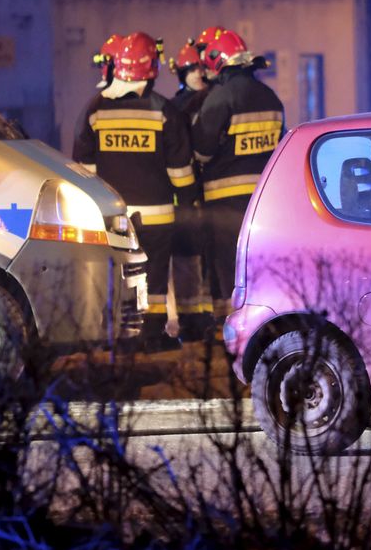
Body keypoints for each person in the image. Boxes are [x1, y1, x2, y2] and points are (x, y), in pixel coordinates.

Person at [74, 32, 198, 352]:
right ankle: (152, 336)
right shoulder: (164, 111)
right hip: (158, 216)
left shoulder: (95, 110)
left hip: (113, 216)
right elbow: (180, 170)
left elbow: (84, 169)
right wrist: (187, 203)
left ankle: (118, 335)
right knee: (154, 277)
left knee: (118, 274)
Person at [192, 27, 286, 319]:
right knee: (259, 261)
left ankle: (228, 325)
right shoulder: (271, 97)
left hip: (224, 200)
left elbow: (202, 151)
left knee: (226, 264)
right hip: (263, 200)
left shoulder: (220, 97)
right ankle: (263, 318)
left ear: (216, 61)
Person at [166, 38, 213, 341]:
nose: (197, 73)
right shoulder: (175, 106)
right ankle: (190, 316)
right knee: (188, 255)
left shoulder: (217, 100)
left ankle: (207, 316)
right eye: (191, 69)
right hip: (185, 192)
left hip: (212, 189)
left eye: (201, 68)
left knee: (209, 256)